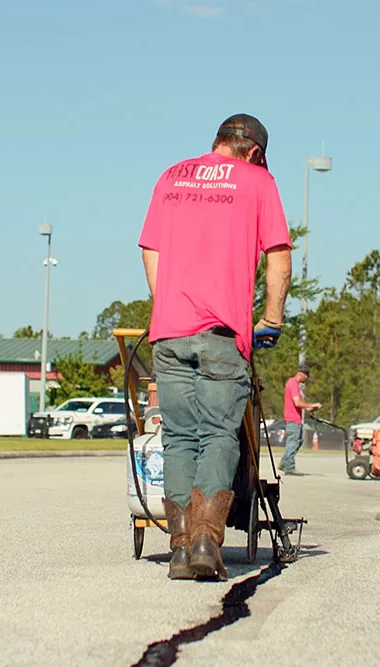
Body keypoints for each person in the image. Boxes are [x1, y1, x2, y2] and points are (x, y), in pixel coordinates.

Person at [139, 113, 292, 581]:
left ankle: (180, 549)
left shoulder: (171, 176)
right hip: (223, 334)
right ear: (253, 152)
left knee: (179, 437)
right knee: (220, 436)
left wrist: (166, 306)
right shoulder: (258, 182)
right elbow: (279, 255)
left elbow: (150, 250)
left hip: (169, 334)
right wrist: (272, 318)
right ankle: (207, 538)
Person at [280, 366, 322, 475]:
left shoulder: (293, 384)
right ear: (302, 375)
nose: (306, 380)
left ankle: (284, 462)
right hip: (292, 418)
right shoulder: (293, 384)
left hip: (296, 418)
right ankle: (289, 468)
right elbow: (297, 403)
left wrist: (310, 408)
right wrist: (312, 404)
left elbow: (299, 405)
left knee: (299, 440)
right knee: (292, 442)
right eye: (306, 377)